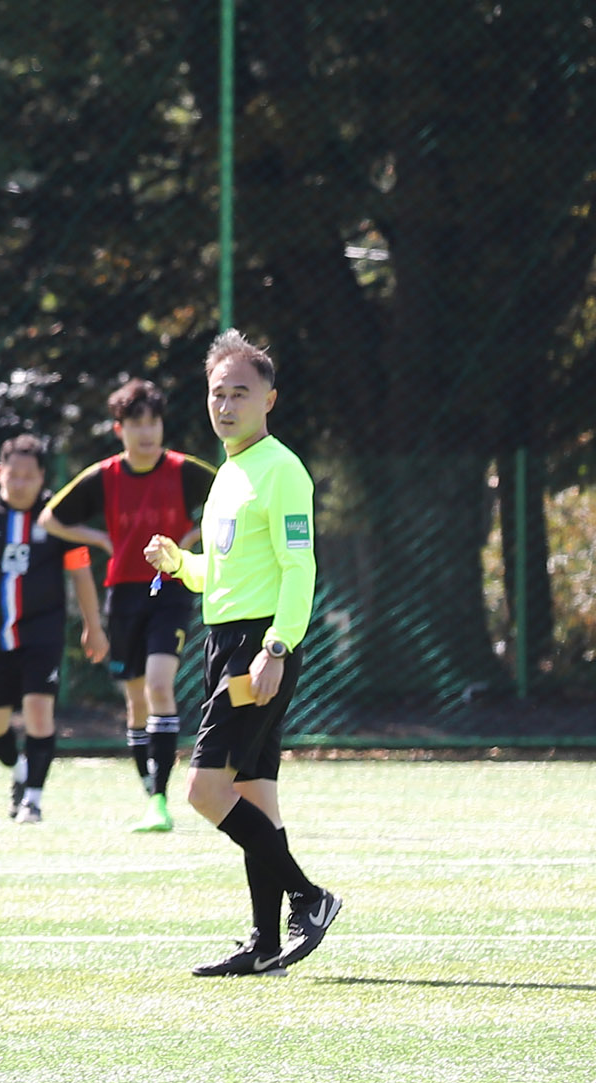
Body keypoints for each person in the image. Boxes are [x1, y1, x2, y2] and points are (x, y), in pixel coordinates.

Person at [144, 330, 341, 977]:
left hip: (255, 649)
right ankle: (264, 943)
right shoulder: (230, 473)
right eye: (217, 393)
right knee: (254, 794)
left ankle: (310, 898)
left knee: (203, 788)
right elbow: (222, 576)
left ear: (270, 399)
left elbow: (298, 567)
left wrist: (277, 647)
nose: (226, 405)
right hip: (227, 641)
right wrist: (179, 564)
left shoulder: (282, 470)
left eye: (240, 393)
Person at [40, 380, 217, 832]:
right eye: (136, 424)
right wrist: (99, 537)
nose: (146, 432)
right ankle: (149, 790)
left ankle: (160, 799)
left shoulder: (184, 470)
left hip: (170, 587)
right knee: (136, 700)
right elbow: (51, 519)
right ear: (119, 429)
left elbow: (232, 502)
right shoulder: (104, 476)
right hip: (123, 594)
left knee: (161, 684)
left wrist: (191, 540)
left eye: (153, 422)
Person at [0, 434, 106, 824]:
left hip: (42, 633)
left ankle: (32, 798)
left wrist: (93, 627)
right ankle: (20, 769)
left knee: (38, 712)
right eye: (13, 475)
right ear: (0, 472)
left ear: (42, 477)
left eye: (29, 477)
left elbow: (81, 573)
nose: (20, 484)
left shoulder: (57, 516)